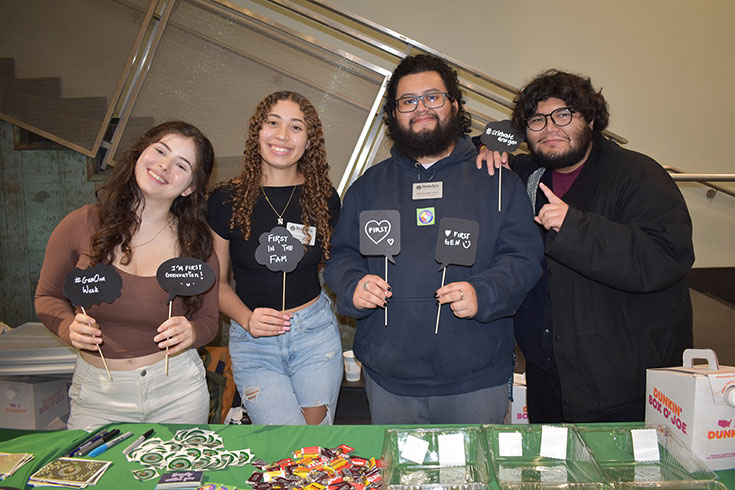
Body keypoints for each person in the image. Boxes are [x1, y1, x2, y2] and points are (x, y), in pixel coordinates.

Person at [323, 54, 543, 424]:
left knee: (469, 481)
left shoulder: (499, 181)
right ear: (394, 115)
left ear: (454, 105)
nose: (420, 108)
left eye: (433, 97)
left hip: (475, 381)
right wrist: (352, 284)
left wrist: (483, 292)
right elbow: (342, 256)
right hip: (389, 381)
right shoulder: (367, 187)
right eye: (407, 101)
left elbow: (523, 258)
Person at [476, 69, 694, 423]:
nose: (550, 128)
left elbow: (666, 257)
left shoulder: (639, 175)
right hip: (548, 373)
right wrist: (487, 146)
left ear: (590, 119)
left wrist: (573, 227)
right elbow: (466, 150)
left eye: (563, 115)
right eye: (536, 120)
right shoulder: (527, 173)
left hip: (621, 383)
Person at [35, 121, 220, 431]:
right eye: (160, 150)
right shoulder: (81, 223)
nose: (164, 165)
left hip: (178, 393)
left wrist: (191, 333)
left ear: (189, 187)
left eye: (181, 165)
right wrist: (68, 326)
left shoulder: (196, 244)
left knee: (176, 480)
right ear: (140, 153)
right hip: (98, 395)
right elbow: (47, 297)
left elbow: (209, 322)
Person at [208, 91, 342, 425]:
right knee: (283, 449)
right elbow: (217, 283)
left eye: (296, 127)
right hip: (253, 339)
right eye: (273, 123)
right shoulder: (226, 200)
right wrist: (247, 318)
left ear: (309, 141)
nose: (282, 136)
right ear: (257, 132)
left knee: (315, 449)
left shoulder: (323, 197)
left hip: (315, 336)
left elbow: (338, 261)